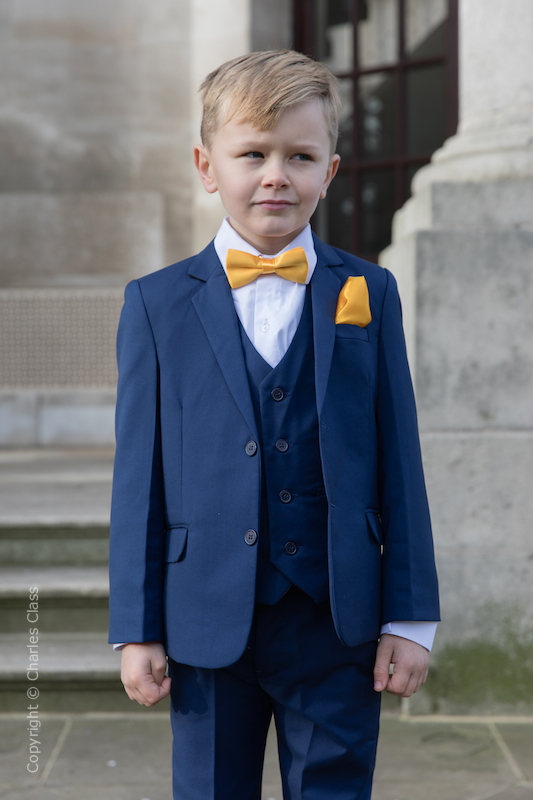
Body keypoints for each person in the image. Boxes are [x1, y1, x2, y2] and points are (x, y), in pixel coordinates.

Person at [108, 49, 440, 799]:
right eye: (251, 153)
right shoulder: (155, 305)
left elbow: (398, 458)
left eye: (300, 156)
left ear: (329, 170)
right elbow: (138, 479)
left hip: (336, 617)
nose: (274, 175)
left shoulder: (369, 291)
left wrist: (410, 616)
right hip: (203, 621)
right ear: (205, 165)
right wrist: (136, 626)